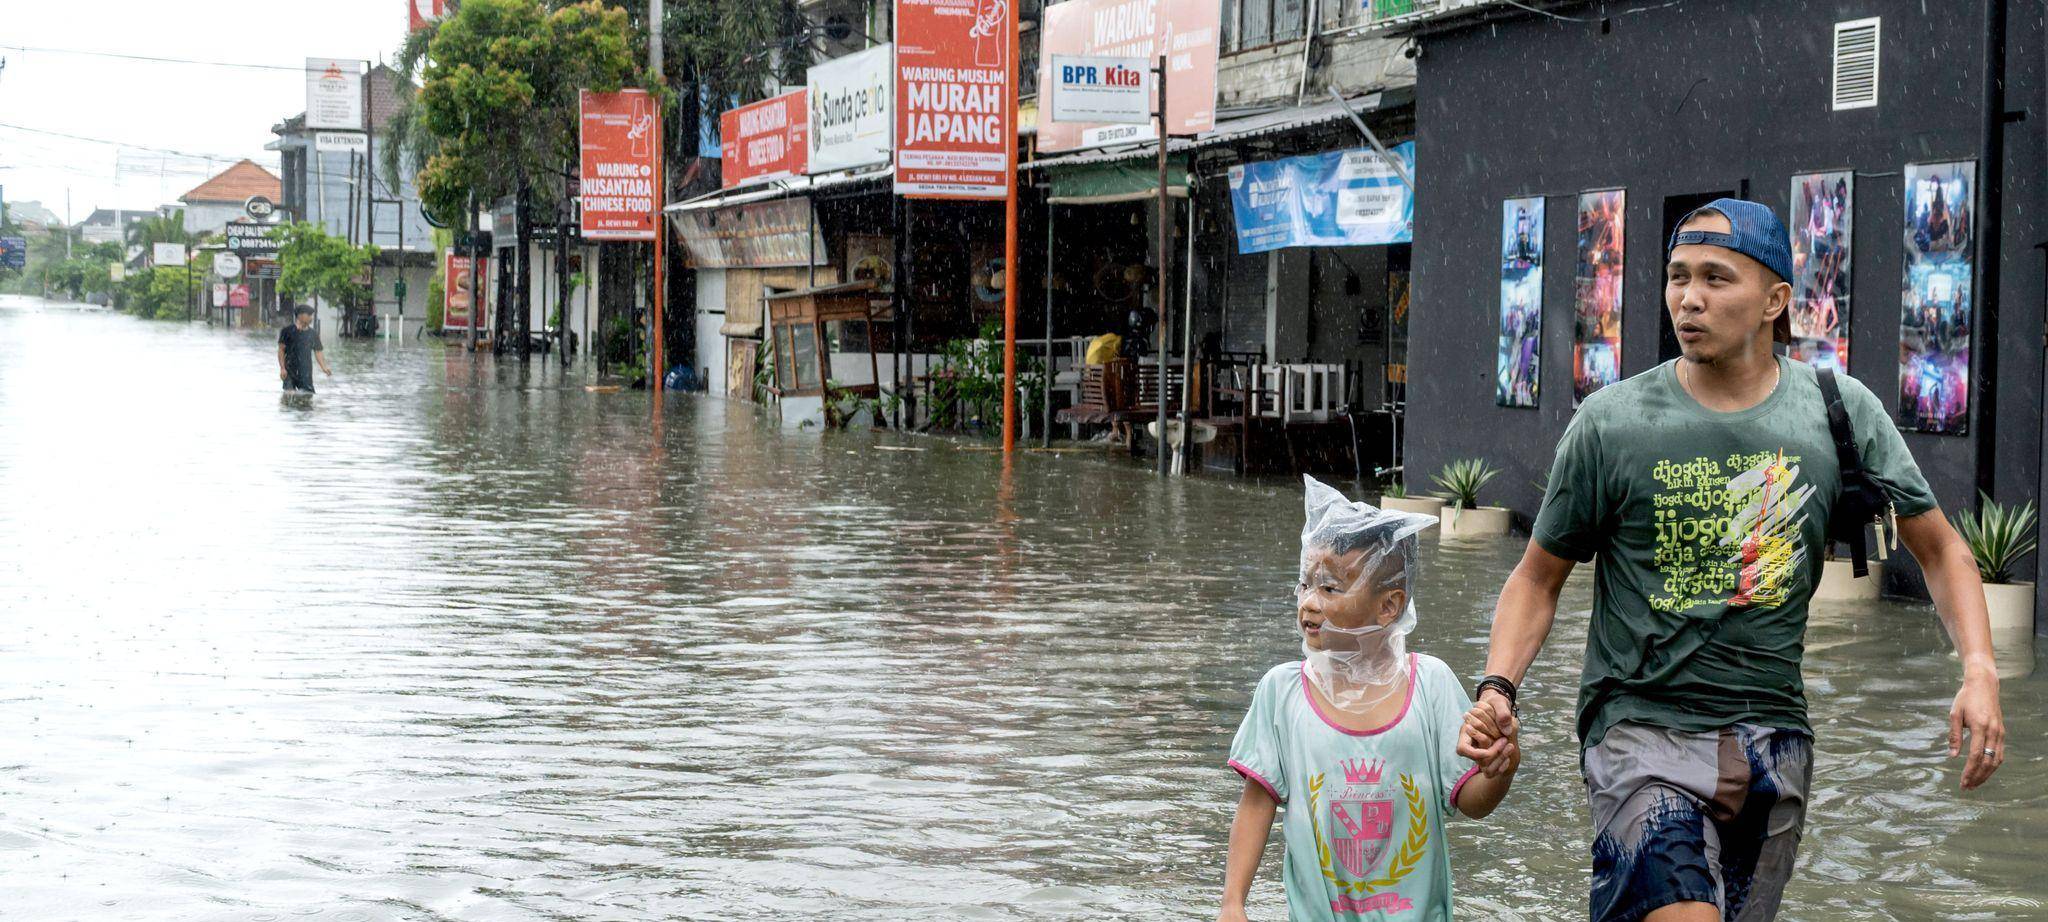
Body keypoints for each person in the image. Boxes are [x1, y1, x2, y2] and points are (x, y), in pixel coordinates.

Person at [1459, 199, 2004, 922]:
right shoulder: (1612, 423)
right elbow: (1537, 577)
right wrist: (1499, 688)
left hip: (1773, 743)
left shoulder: (1839, 412)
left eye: (1718, 278)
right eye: (1679, 276)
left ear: (1776, 300)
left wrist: (1980, 672)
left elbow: (1942, 552)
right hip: (1639, 732)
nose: (1690, 297)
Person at [1219, 477, 1517, 922]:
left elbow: (1470, 801)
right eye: (1306, 584)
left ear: (1389, 606)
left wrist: (1501, 766)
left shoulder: (1430, 685)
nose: (1309, 603)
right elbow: (1256, 802)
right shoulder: (1281, 693)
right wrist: (1232, 903)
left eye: (1331, 589)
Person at [278, 304, 331, 393]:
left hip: (306, 372)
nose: (311, 318)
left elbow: (318, 351)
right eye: (309, 315)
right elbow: (281, 350)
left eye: (311, 315)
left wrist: (324, 367)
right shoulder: (287, 331)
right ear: (300, 316)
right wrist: (282, 368)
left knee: (308, 396)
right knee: (289, 396)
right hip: (289, 371)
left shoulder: (313, 334)